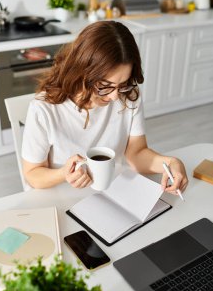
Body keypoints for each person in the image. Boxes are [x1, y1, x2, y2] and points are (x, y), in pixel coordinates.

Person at [22, 20, 188, 195]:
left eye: (123, 84)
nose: (115, 96)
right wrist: (64, 173)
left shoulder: (128, 95)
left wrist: (170, 163)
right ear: (82, 71)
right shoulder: (44, 109)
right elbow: (33, 174)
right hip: (61, 196)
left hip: (110, 192)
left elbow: (136, 154)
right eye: (105, 86)